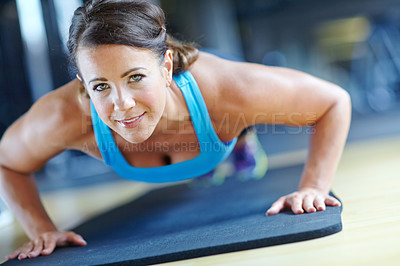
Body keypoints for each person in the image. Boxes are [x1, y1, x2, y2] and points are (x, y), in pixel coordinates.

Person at [0, 0, 351, 260]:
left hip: (208, 99)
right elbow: (7, 162)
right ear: (82, 83)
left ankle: (242, 140)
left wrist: (313, 187)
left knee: (231, 126)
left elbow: (333, 101)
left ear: (166, 67)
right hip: (182, 110)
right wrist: (41, 230)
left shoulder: (230, 90)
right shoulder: (63, 115)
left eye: (135, 77)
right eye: (101, 86)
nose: (121, 104)